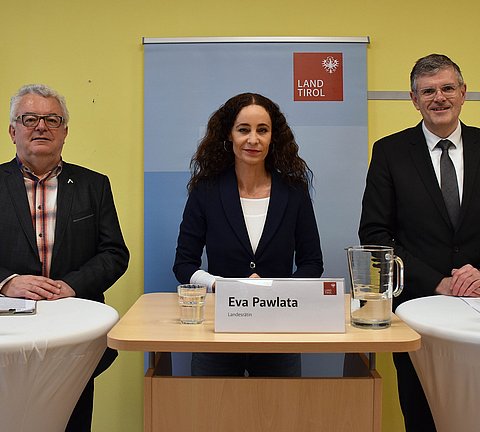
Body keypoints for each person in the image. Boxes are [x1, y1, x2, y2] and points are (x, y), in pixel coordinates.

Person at [359, 54, 480, 432]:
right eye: (428, 91)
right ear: (414, 99)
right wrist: (437, 281)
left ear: (463, 94)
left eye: (447, 88)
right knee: (422, 412)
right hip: (417, 310)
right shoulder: (390, 152)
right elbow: (375, 235)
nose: (438, 97)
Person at [0, 84, 129, 431]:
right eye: (29, 119)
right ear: (13, 131)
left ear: (65, 131)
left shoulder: (93, 185)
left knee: (71, 422)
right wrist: (8, 282)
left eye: (52, 119)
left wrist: (72, 285)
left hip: (74, 340)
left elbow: (115, 253)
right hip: (6, 338)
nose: (41, 126)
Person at [173, 92, 323, 376]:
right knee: (213, 417)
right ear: (228, 135)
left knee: (279, 418)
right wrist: (223, 286)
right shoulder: (206, 191)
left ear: (273, 137)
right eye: (244, 130)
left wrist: (276, 290)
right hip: (218, 329)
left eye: (262, 130)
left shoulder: (294, 191)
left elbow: (312, 263)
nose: (253, 139)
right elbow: (184, 265)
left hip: (279, 330)